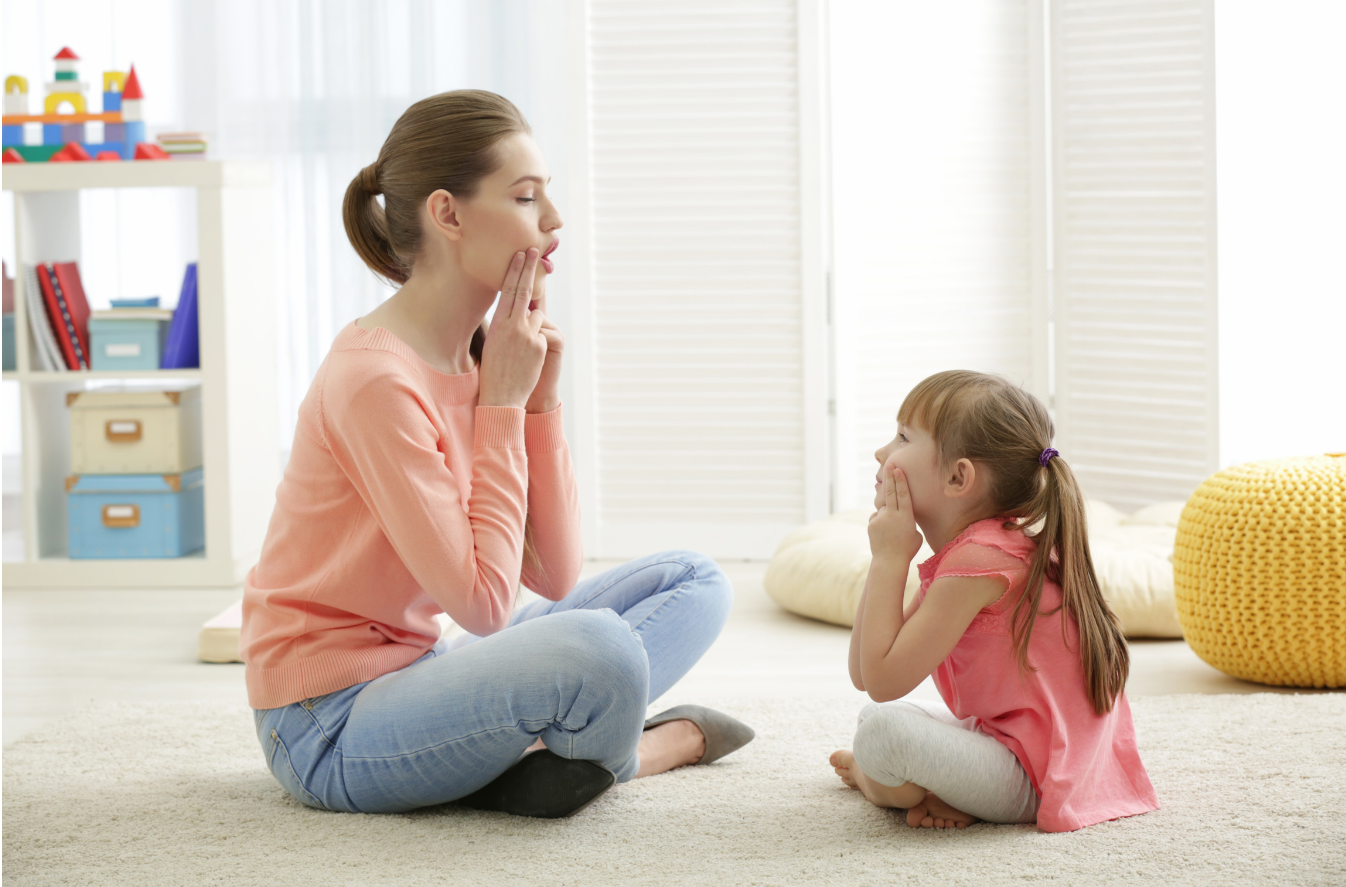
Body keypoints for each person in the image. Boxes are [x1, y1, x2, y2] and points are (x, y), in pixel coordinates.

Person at [241, 90, 753, 819]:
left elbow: (551, 571)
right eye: (525, 196)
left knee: (697, 581)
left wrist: (535, 404)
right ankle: (643, 751)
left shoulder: (481, 357)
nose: (554, 220)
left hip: (423, 665)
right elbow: (485, 607)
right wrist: (505, 407)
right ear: (447, 215)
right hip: (328, 722)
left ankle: (543, 755)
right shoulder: (373, 381)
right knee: (600, 651)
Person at [829, 370, 1159, 832]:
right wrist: (888, 555)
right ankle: (943, 789)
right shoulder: (977, 548)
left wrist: (890, 561)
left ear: (958, 476)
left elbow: (883, 680)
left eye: (903, 436)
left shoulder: (981, 561)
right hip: (1009, 740)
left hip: (1036, 776)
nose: (882, 452)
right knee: (875, 719)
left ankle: (889, 786)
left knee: (883, 735)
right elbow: (865, 673)